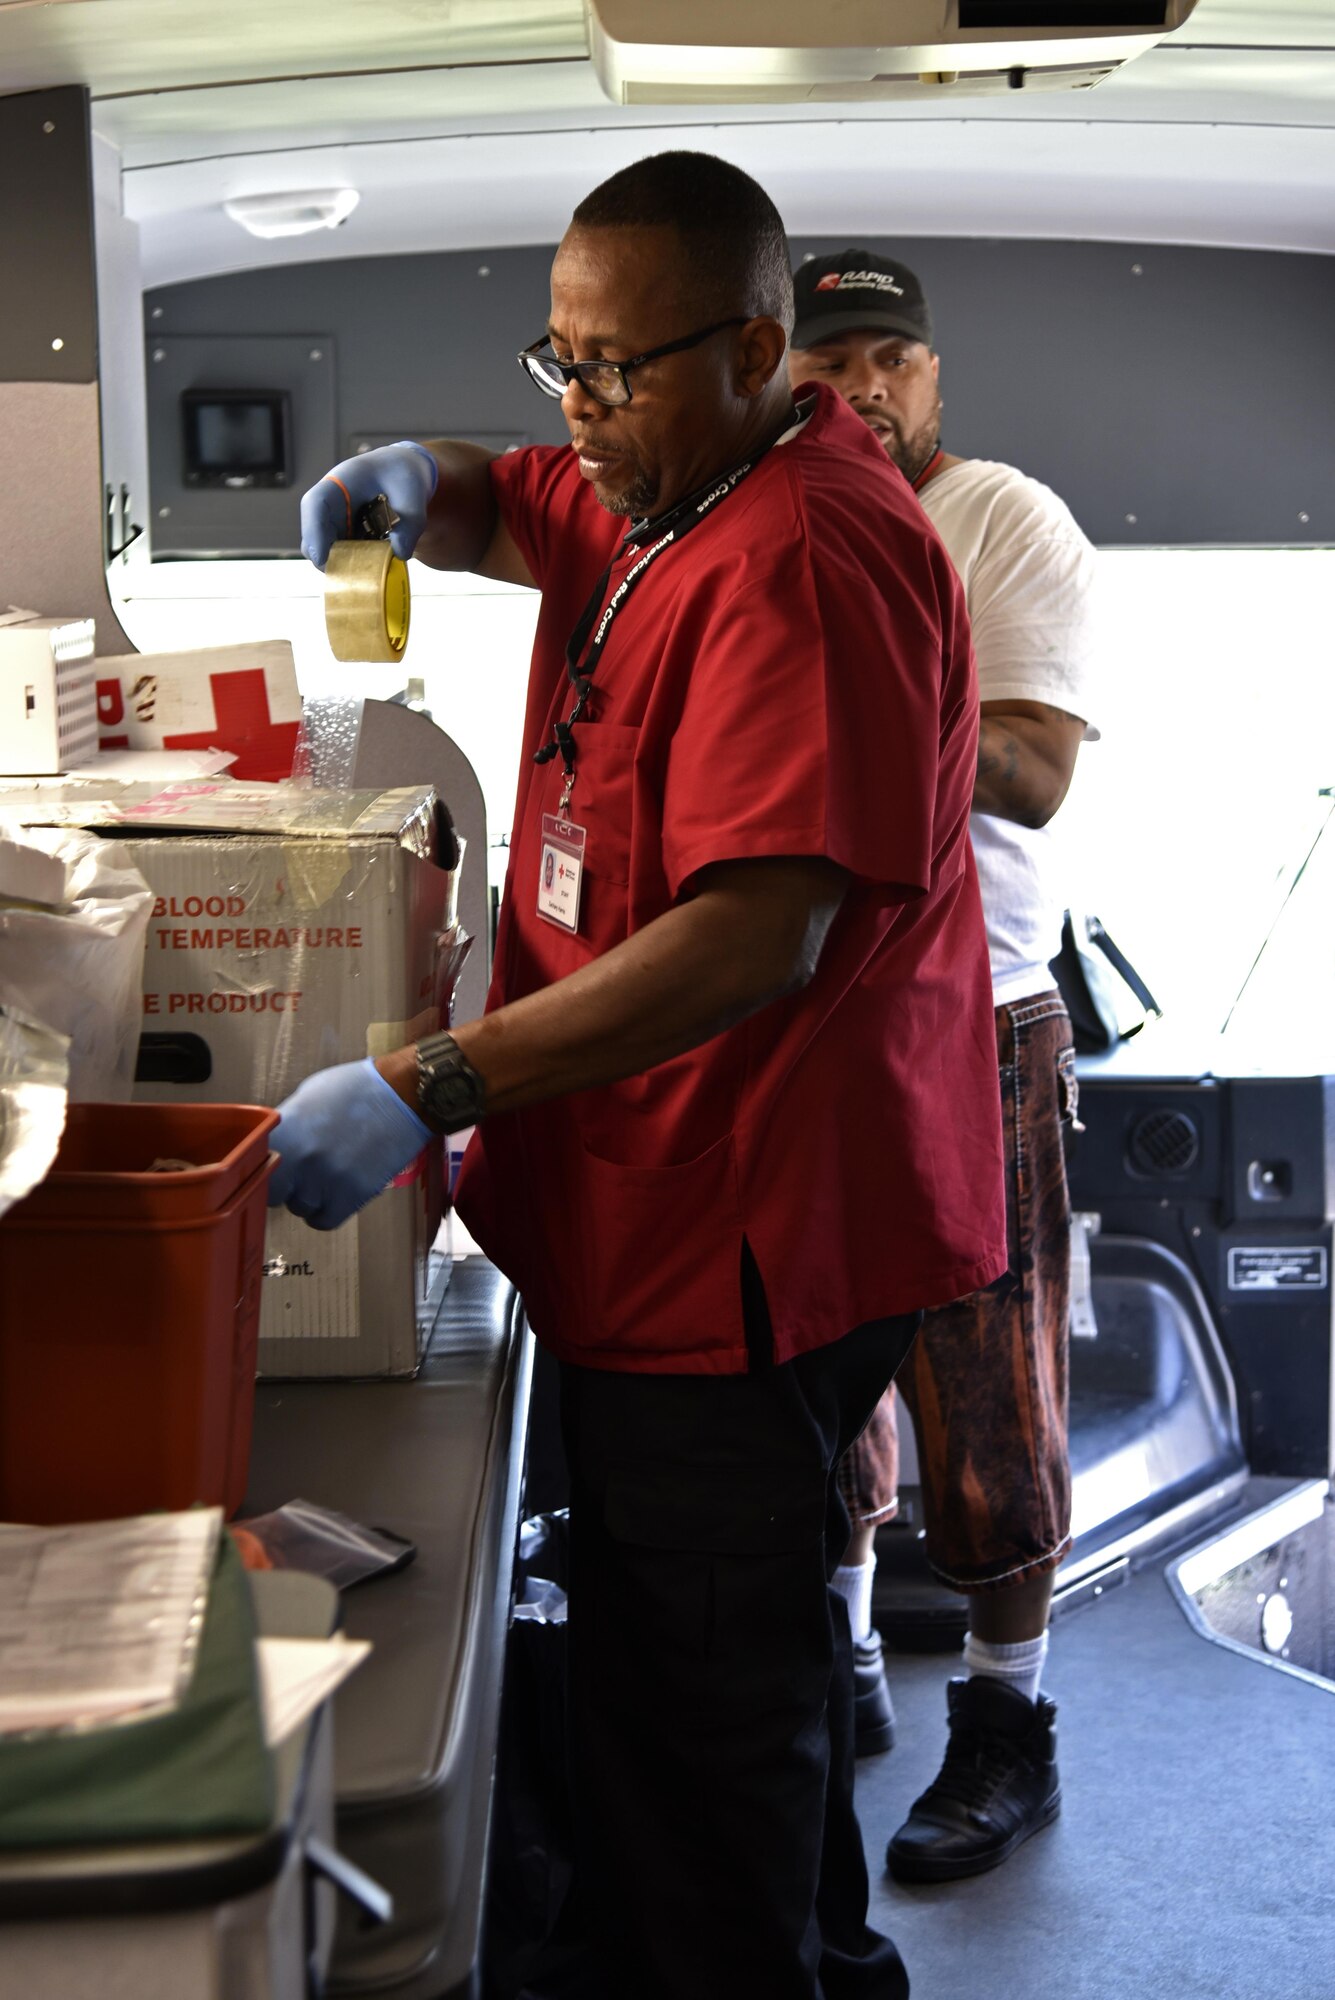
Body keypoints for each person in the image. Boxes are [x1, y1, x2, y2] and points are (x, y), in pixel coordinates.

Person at [276, 157, 1007, 2000]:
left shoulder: (808, 553)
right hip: (655, 1214)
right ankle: (822, 1964)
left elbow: (759, 935)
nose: (579, 415)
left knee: (697, 1724)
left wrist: (434, 1080)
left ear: (765, 349)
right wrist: (408, 483)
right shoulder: (664, 475)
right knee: (722, 1683)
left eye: (619, 371)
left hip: (744, 1237)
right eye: (560, 360)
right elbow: (503, 494)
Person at [789, 249, 1098, 1883]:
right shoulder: (769, 518)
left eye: (890, 359)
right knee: (825, 1371)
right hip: (813, 1009)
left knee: (988, 1392)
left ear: (930, 376)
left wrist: (835, 705)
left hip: (982, 1014)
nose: (862, 390)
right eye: (829, 362)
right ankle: (844, 1654)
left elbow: (1037, 774)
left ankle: (1007, 1724)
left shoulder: (1000, 523)